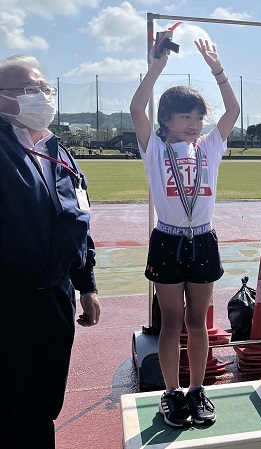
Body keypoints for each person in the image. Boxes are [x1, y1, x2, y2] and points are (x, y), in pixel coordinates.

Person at [130, 39, 240, 428]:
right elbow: (135, 109)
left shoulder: (210, 147)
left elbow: (233, 111)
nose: (194, 123)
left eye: (198, 117)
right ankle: (171, 393)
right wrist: (156, 69)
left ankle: (196, 390)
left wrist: (217, 69)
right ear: (166, 121)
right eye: (184, 117)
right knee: (170, 322)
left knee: (198, 321)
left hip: (204, 238)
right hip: (168, 239)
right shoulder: (155, 150)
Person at [0, 55, 101, 449]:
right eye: (30, 89)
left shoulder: (59, 152)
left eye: (45, 88)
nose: (43, 95)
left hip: (55, 301)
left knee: (43, 405)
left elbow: (79, 221)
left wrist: (86, 284)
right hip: (7, 301)